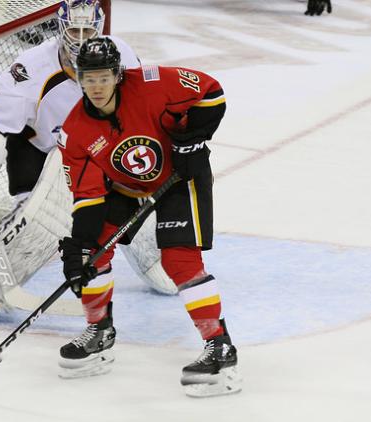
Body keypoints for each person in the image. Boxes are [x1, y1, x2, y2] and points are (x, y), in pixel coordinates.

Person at [0, 0, 175, 323]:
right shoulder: (33, 69)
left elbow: (141, 111)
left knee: (133, 194)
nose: (81, 39)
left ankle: (150, 253)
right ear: (60, 30)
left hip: (98, 154)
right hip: (39, 160)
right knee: (52, 223)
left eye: (88, 30)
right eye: (74, 30)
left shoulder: (120, 56)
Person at [56, 37, 241, 397]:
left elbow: (212, 92)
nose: (96, 87)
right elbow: (88, 198)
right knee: (91, 252)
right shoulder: (75, 132)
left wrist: (194, 138)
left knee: (179, 261)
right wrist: (81, 246)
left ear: (117, 75)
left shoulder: (153, 83)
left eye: (103, 77)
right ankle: (100, 330)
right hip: (126, 187)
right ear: (79, 79)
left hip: (180, 176)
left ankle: (219, 346)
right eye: (89, 78)